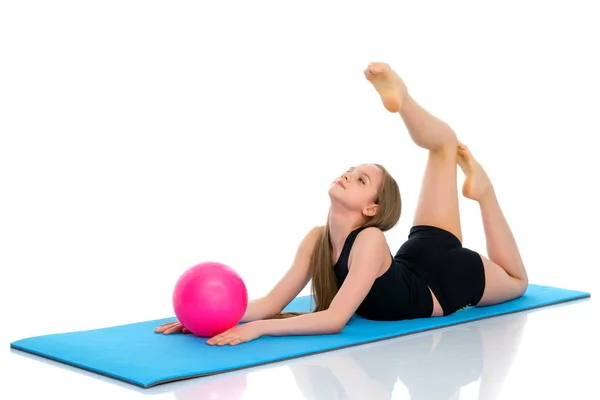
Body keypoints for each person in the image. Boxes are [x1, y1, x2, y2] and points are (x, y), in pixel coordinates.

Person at [155, 62, 529, 346]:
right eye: (351, 171)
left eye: (361, 179)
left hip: (448, 280)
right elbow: (271, 301)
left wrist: (257, 331)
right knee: (444, 146)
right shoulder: (316, 238)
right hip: (419, 255)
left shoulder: (369, 241)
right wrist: (213, 319)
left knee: (518, 282)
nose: (348, 175)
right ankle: (472, 179)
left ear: (371, 210)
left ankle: (482, 188)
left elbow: (334, 319)